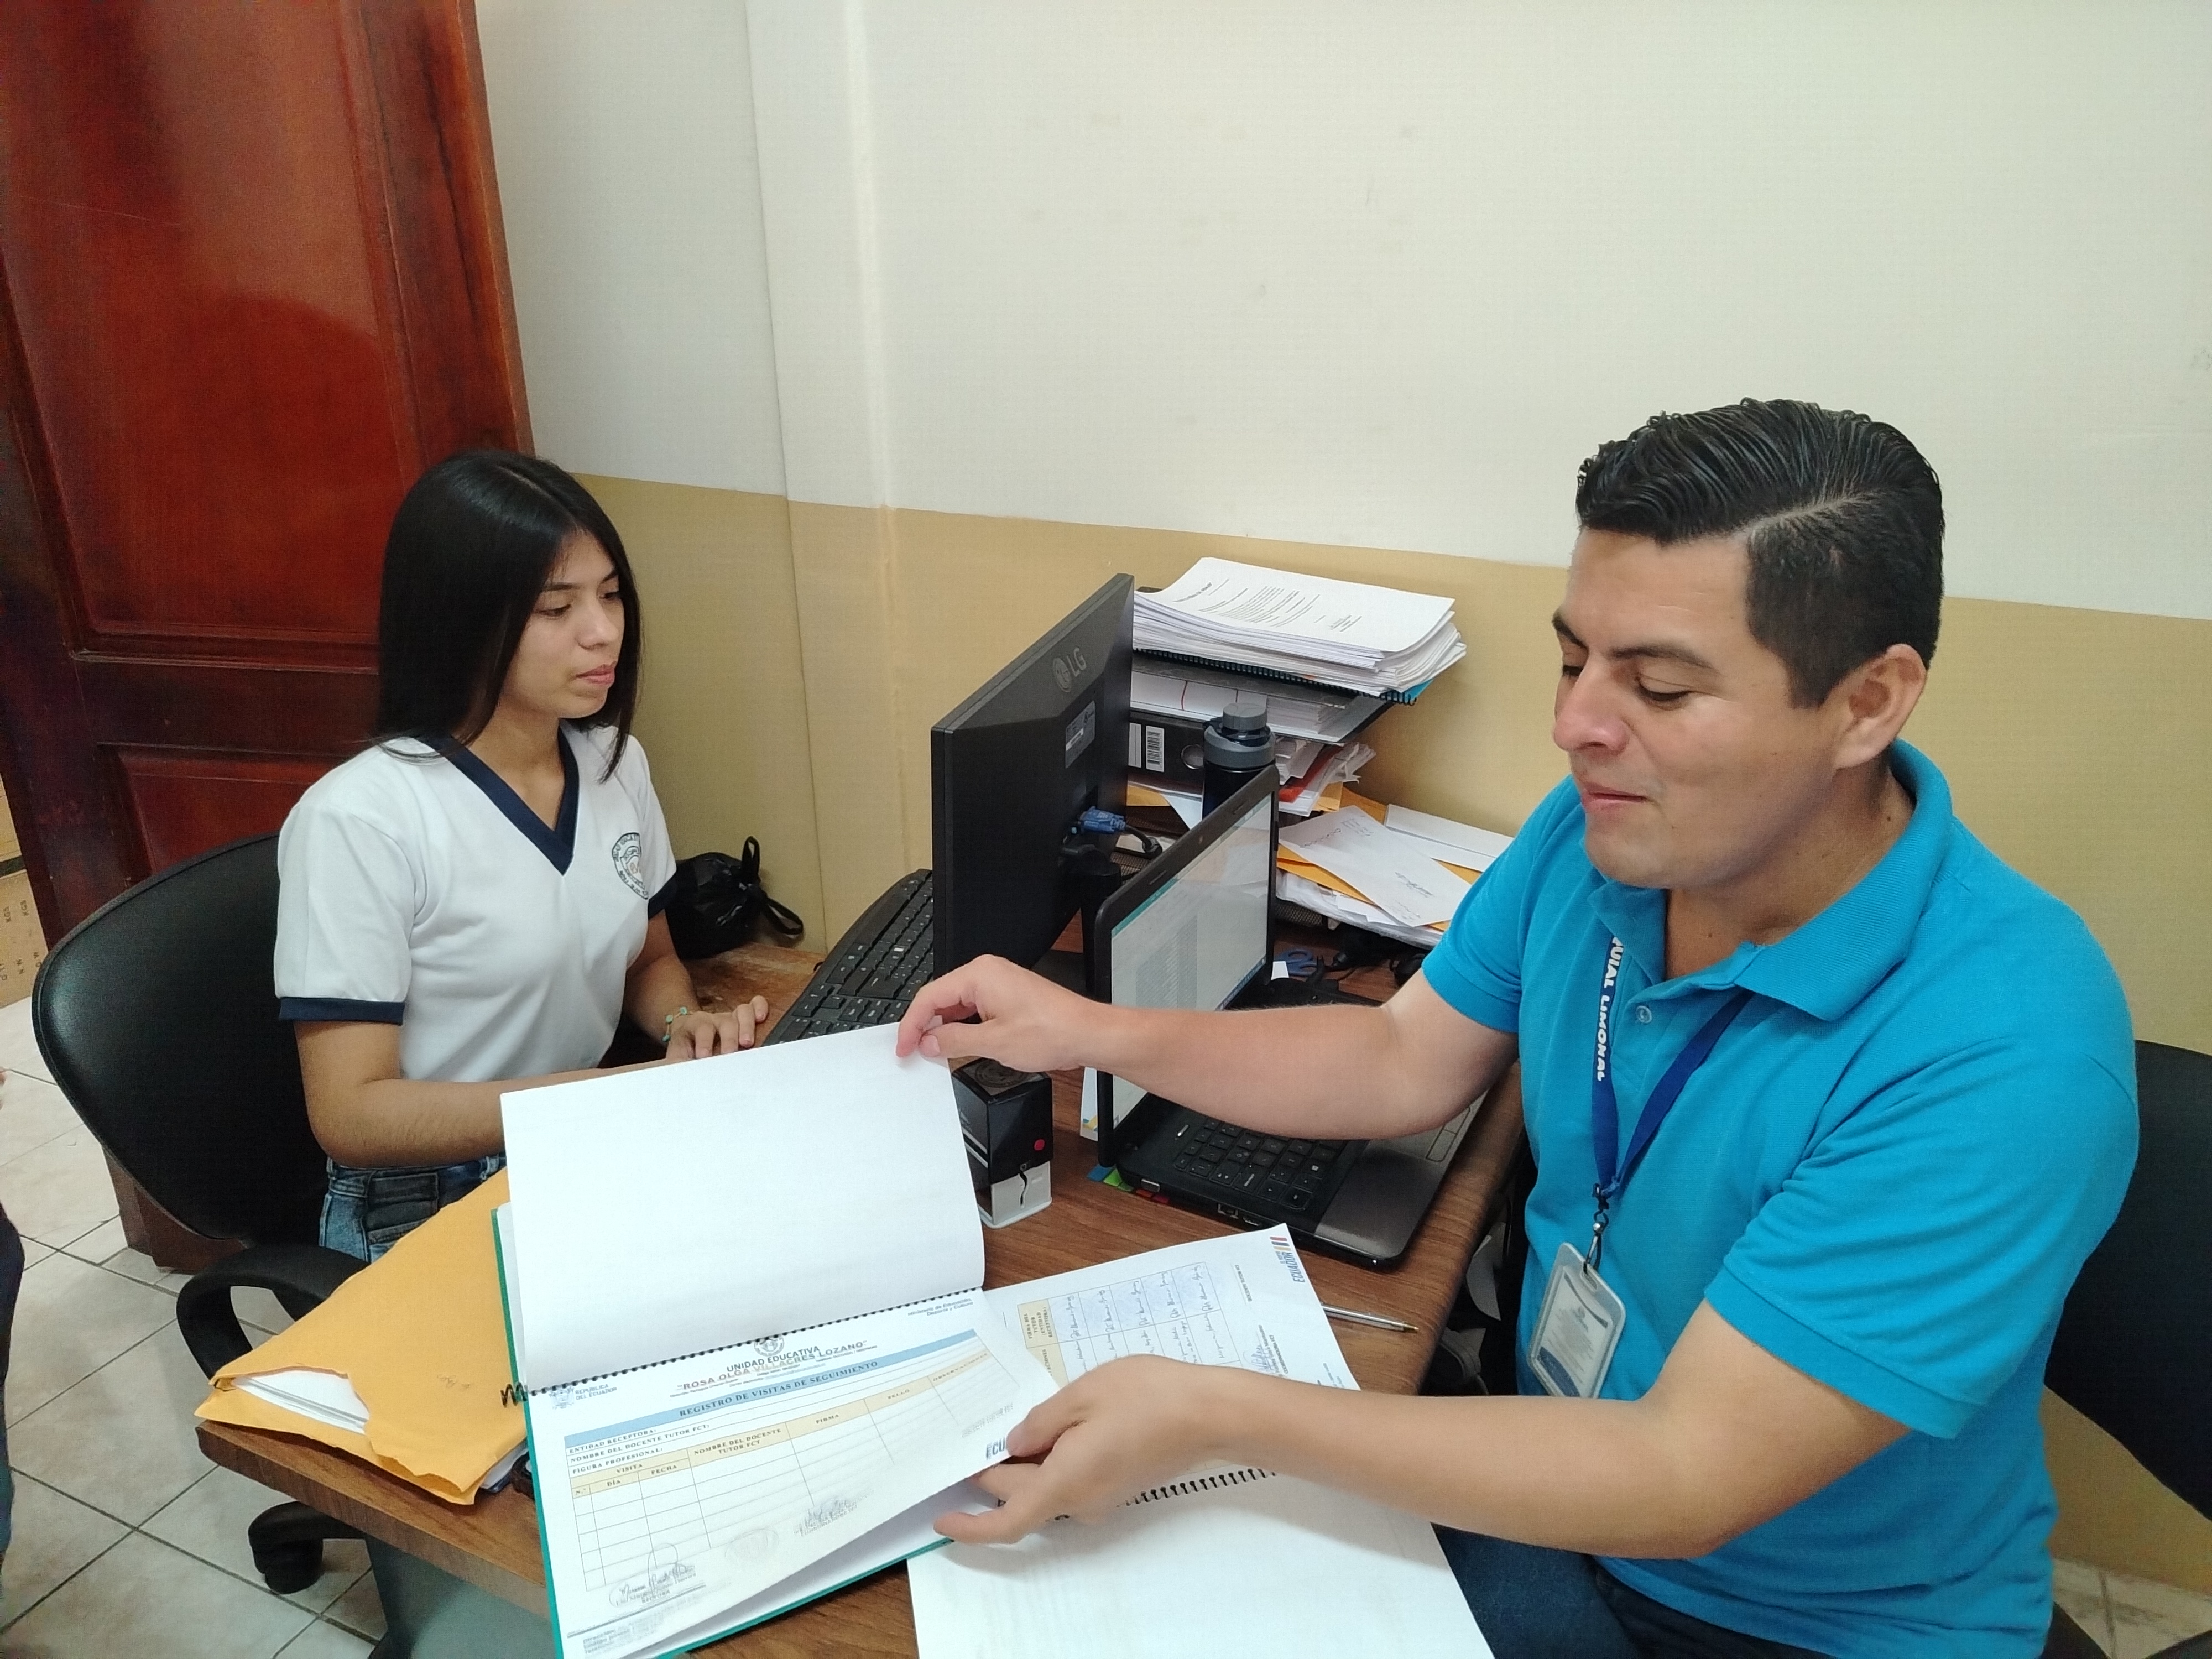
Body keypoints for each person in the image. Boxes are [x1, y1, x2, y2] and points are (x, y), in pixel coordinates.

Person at [896, 400, 2137, 1656]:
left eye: (1659, 686)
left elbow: (1683, 1477)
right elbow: (1398, 1057)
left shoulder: (2005, 1055)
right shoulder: (1607, 830)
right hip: (1547, 1474)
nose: (1578, 725)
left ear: (1867, 703)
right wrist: (1094, 1031)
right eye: (1573, 661)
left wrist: (1220, 1415)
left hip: (1772, 1618)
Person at [275, 452, 767, 1260]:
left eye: (611, 594)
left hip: (578, 1132)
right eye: (556, 607)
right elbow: (351, 1115)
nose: (603, 630)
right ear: (461, 622)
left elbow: (648, 959)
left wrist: (685, 1026)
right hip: (425, 1192)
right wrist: (599, 1097)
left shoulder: (613, 763)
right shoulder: (361, 819)